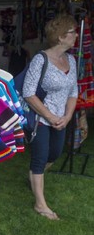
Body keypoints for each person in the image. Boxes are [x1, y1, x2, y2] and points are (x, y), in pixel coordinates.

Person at [23, 14, 78, 220]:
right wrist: (51, 116)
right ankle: (40, 204)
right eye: (72, 32)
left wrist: (67, 116)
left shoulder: (71, 60)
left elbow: (73, 91)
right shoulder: (41, 59)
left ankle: (33, 178)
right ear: (61, 37)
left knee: (53, 155)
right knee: (39, 158)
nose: (76, 35)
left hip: (62, 119)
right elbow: (29, 93)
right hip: (41, 118)